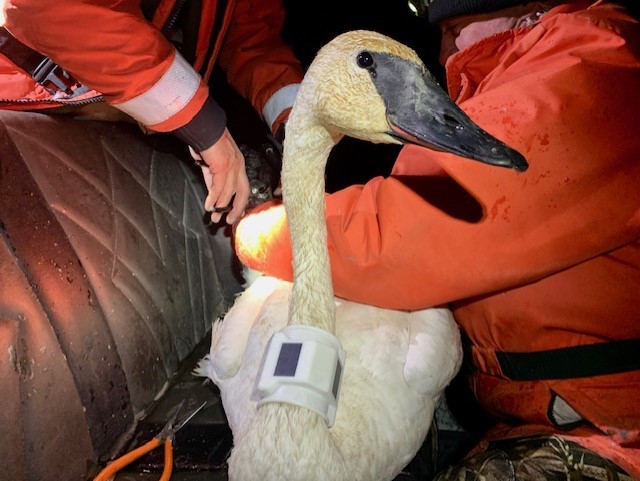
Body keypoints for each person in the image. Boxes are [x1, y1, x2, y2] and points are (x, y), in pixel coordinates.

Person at [232, 0, 640, 478]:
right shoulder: (538, 68)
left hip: (608, 426)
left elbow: (391, 238)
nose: (446, 53)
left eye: (450, 30)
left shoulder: (584, 73)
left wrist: (254, 228)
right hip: (541, 413)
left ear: (521, 14)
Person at [0, 0, 304, 225]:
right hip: (31, 113)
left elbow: (249, 31)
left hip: (142, 118)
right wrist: (203, 125)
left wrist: (299, 124)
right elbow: (41, 8)